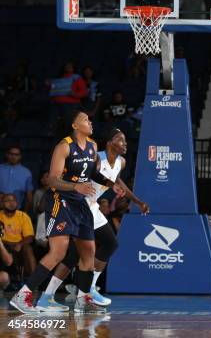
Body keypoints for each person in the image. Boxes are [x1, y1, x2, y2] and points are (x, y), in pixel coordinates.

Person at [10, 110, 126, 314]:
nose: (89, 122)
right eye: (84, 119)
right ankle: (23, 295)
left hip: (80, 203)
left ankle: (83, 299)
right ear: (74, 126)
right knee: (59, 251)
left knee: (88, 250)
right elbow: (52, 179)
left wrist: (110, 183)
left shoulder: (92, 146)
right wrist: (75, 187)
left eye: (89, 119)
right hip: (60, 200)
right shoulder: (64, 147)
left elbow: (92, 173)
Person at [38, 128, 150, 311]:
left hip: (92, 207)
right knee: (78, 252)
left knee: (108, 244)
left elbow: (117, 181)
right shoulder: (95, 157)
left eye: (125, 140)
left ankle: (85, 289)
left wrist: (137, 201)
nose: (125, 143)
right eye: (120, 140)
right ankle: (56, 296)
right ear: (109, 142)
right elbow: (83, 176)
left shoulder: (121, 162)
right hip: (78, 205)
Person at [0, 193, 36, 276]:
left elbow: (30, 237)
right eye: (8, 200)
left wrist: (20, 244)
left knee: (28, 249)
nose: (11, 203)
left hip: (19, 244)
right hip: (3, 244)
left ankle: (33, 281)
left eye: (13, 200)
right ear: (2, 204)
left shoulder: (23, 216)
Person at [0, 146, 34, 212]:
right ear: (7, 155)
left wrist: (25, 213)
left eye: (16, 155)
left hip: (16, 211)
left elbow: (29, 196)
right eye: (11, 154)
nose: (13, 157)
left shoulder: (26, 172)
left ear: (20, 156)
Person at [0, 225, 14, 290]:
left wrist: (0, 243)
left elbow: (8, 262)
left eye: (1, 229)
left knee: (4, 276)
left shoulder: (6, 245)